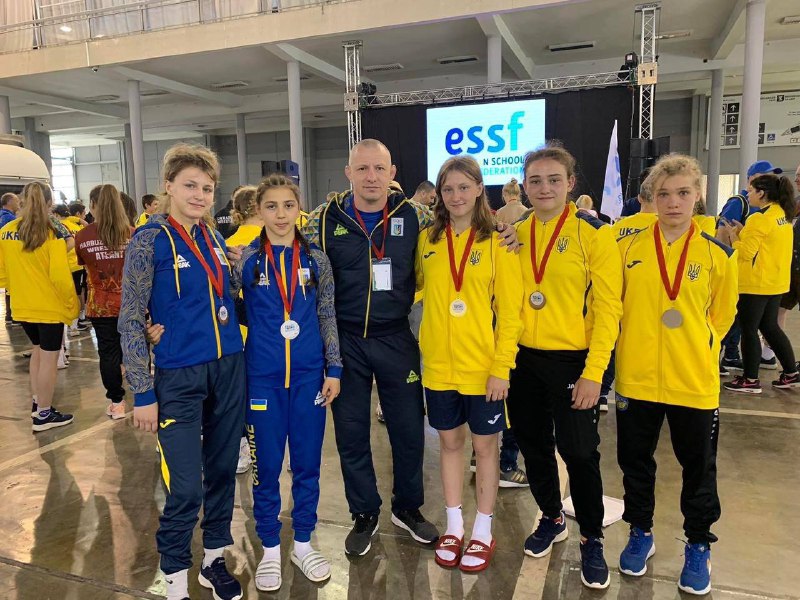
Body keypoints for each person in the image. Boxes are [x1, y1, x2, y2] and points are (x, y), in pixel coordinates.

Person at [295, 139, 519, 557]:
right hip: (345, 341)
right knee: (351, 433)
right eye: (362, 169)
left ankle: (407, 508)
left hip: (396, 337)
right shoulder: (323, 219)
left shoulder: (415, 216)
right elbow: (286, 247)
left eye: (379, 169)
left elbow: (462, 223)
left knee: (408, 430)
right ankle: (364, 512)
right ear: (348, 173)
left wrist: (506, 228)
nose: (371, 177)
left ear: (392, 173)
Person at [119, 143, 245, 600]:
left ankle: (213, 560)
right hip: (178, 376)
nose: (199, 196)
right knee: (186, 486)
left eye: (207, 189)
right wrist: (142, 391)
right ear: (168, 186)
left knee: (222, 472)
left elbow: (228, 295)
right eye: (190, 185)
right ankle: (174, 577)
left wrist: (241, 264)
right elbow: (130, 318)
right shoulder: (148, 240)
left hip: (229, 368)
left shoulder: (213, 237)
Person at [615, 154, 738, 596]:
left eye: (683, 193)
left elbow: (723, 315)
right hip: (636, 377)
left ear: (697, 195)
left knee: (699, 468)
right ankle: (640, 531)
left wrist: (700, 344)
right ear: (651, 198)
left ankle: (698, 543)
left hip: (693, 383)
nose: (673, 202)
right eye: (664, 194)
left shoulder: (717, 254)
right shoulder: (627, 248)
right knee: (635, 462)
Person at [507, 144, 622, 590]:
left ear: (570, 183)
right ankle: (552, 517)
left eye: (554, 179)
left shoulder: (594, 234)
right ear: (524, 186)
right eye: (535, 180)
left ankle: (592, 537)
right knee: (534, 446)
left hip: (574, 360)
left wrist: (595, 374)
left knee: (579, 452)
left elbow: (609, 310)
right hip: (524, 359)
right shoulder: (515, 233)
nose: (544, 188)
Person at [231, 174, 342, 591]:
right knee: (265, 468)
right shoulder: (246, 262)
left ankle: (304, 543)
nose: (280, 215)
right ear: (258, 211)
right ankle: (271, 549)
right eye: (271, 206)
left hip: (310, 378)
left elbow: (326, 314)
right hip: (262, 379)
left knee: (308, 465)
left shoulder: (317, 260)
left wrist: (334, 368)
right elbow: (226, 308)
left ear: (300, 209)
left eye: (288, 205)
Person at [416, 156, 523, 572]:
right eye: (448, 189)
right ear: (439, 194)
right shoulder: (428, 241)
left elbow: (510, 313)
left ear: (479, 189)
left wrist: (501, 367)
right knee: (448, 444)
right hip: (439, 367)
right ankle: (455, 525)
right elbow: (418, 288)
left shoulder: (498, 241)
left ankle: (483, 529)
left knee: (485, 447)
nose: (456, 196)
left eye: (464, 187)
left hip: (483, 369)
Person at [0, 182, 78, 431]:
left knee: (37, 351)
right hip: (49, 307)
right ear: (49, 203)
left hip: (22, 305)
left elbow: (2, 271)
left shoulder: (6, 231)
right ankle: (44, 413)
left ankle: (38, 402)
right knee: (49, 359)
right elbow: (60, 275)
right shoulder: (51, 233)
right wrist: (71, 305)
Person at [722, 174, 800, 393]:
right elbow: (766, 244)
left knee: (749, 330)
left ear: (762, 193)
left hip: (755, 284)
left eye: (751, 190)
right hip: (775, 283)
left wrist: (733, 238)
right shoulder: (782, 215)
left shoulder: (759, 218)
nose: (748, 194)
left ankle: (749, 379)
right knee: (770, 327)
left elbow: (746, 253)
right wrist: (742, 232)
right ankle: (790, 373)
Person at [718, 160, 784, 375]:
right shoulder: (740, 202)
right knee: (734, 318)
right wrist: (726, 261)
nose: (771, 178)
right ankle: (722, 356)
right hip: (741, 272)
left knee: (745, 322)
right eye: (766, 175)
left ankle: (732, 356)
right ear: (752, 180)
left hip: (757, 277)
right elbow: (722, 231)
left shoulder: (771, 209)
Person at [75, 184, 131, 420]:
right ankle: (144, 395)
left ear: (92, 205)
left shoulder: (82, 236)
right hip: (131, 304)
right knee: (135, 350)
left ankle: (117, 403)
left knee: (108, 353)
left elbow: (83, 264)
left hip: (100, 305)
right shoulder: (133, 233)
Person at [224, 185, 261, 475]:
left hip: (236, 334)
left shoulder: (227, 243)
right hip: (268, 334)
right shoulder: (275, 240)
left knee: (238, 393)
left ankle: (241, 447)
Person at [1, 192, 21, 324]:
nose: (18, 203)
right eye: (16, 200)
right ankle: (14, 315)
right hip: (13, 257)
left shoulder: (2, 216)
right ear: (9, 202)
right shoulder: (10, 219)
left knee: (9, 287)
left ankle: (9, 315)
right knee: (15, 287)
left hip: (5, 258)